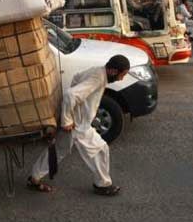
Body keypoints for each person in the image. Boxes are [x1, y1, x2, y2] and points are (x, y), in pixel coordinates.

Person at [27, 55, 130, 196]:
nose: (121, 79)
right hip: (79, 126)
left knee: (58, 151)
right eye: (122, 75)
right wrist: (67, 120)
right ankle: (102, 185)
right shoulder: (98, 78)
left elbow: (76, 78)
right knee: (101, 150)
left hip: (77, 122)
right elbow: (70, 95)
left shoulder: (98, 71)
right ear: (113, 71)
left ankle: (34, 178)